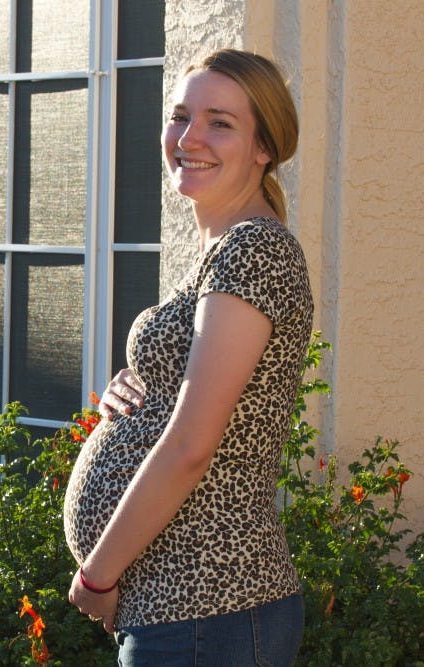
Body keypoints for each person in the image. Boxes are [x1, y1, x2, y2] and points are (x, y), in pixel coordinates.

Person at [63, 49, 312, 666]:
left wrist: (98, 577)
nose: (190, 136)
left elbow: (192, 445)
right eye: (180, 116)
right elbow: (197, 397)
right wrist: (136, 386)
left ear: (264, 148)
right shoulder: (224, 249)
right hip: (188, 612)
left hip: (209, 604)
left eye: (220, 122)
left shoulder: (253, 250)